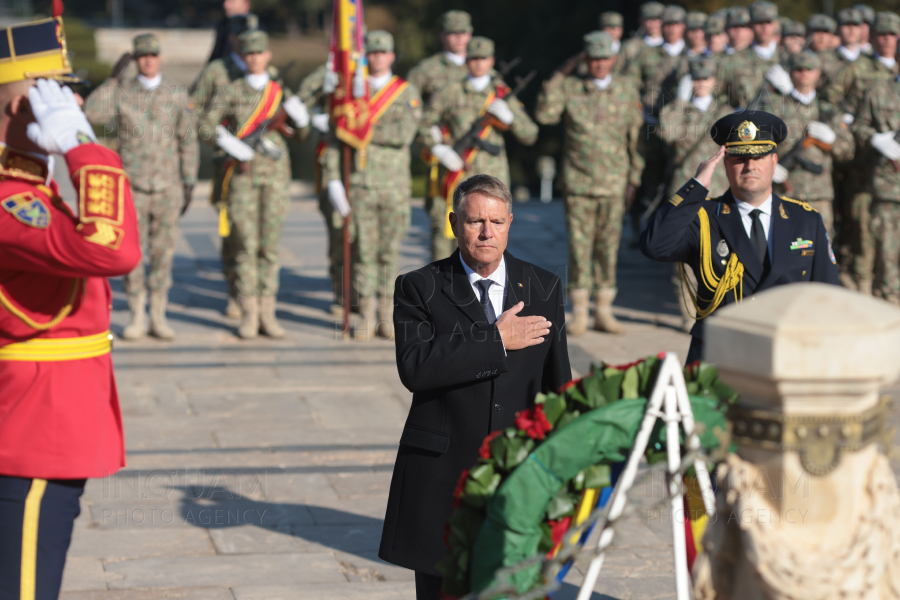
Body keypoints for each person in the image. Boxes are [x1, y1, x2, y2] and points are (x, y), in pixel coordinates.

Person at [379, 174, 571, 600]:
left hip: (517, 479)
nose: (486, 232)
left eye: (496, 222)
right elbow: (416, 368)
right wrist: (496, 339)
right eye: (474, 221)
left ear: (510, 223)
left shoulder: (543, 287)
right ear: (453, 222)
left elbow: (558, 390)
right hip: (443, 481)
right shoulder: (419, 287)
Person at [0, 16, 141, 598]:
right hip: (33, 425)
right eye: (45, 92)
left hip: (47, 417)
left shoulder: (27, 185)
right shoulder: (10, 201)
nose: (68, 102)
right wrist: (85, 148)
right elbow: (111, 250)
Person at [641, 111, 840, 364]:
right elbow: (655, 245)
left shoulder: (805, 220)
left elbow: (827, 295)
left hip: (786, 354)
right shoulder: (702, 217)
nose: (749, 166)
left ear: (774, 160)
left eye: (759, 156)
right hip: (719, 355)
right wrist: (696, 186)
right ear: (724, 163)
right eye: (739, 158)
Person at [83, 33, 199, 341]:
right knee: (133, 253)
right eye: (142, 56)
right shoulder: (121, 93)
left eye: (153, 55)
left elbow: (187, 140)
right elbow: (91, 114)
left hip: (167, 186)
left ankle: (158, 315)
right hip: (132, 185)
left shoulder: (176, 92)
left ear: (160, 57)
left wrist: (189, 181)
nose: (148, 60)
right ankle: (136, 314)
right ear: (135, 59)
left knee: (164, 252)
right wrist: (111, 80)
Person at [199, 30, 310, 339]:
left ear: (268, 56)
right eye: (249, 53)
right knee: (245, 245)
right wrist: (228, 142)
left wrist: (302, 121)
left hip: (275, 177)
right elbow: (205, 125)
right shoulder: (229, 90)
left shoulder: (280, 91)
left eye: (260, 53)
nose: (254, 58)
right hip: (243, 178)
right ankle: (249, 312)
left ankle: (268, 311)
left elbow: (300, 137)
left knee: (270, 247)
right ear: (242, 57)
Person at [535, 32, 643, 335]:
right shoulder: (571, 88)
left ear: (613, 59)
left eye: (604, 58)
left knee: (608, 248)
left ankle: (604, 310)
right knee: (580, 248)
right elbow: (545, 114)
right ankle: (580, 309)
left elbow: (634, 140)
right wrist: (560, 73)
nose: (599, 64)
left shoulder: (625, 90)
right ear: (585, 59)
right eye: (593, 58)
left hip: (614, 182)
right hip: (579, 182)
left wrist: (634, 178)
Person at [324, 31, 422, 340]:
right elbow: (334, 139)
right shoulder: (352, 94)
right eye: (373, 53)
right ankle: (365, 312)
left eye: (384, 52)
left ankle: (387, 312)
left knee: (389, 251)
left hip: (393, 185)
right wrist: (333, 179)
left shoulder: (406, 93)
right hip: (361, 185)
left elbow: (402, 134)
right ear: (366, 57)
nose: (378, 57)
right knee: (363, 251)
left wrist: (362, 127)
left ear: (392, 56)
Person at [419, 36, 538, 226]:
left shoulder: (501, 94)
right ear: (466, 60)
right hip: (455, 172)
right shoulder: (450, 91)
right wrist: (437, 148)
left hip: (492, 179)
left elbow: (530, 135)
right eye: (474, 58)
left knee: (489, 240)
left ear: (491, 61)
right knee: (444, 236)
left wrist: (512, 119)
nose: (479, 63)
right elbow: (422, 124)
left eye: (484, 58)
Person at [823, 11, 900, 292]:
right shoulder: (856, 68)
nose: (887, 40)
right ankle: (862, 286)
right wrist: (849, 124)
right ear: (873, 36)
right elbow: (829, 100)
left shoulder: (896, 71)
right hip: (861, 165)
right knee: (864, 229)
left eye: (893, 34)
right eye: (882, 34)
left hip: (894, 172)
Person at [191, 14, 259, 319]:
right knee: (233, 232)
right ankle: (235, 290)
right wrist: (221, 137)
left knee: (261, 234)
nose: (246, 40)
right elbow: (195, 108)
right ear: (230, 36)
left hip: (262, 166)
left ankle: (256, 295)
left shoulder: (263, 70)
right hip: (227, 164)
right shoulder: (217, 71)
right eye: (240, 34)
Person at [659, 56, 732, 334]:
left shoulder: (726, 111)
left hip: (719, 190)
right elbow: (666, 133)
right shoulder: (679, 110)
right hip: (685, 190)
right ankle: (689, 312)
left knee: (721, 254)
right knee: (687, 254)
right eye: (697, 78)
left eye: (707, 78)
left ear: (715, 80)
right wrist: (679, 101)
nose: (702, 83)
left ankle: (718, 309)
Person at [750, 51, 854, 239]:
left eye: (809, 69)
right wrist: (766, 166)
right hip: (781, 194)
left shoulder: (829, 110)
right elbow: (753, 144)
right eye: (799, 69)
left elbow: (848, 152)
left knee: (819, 254)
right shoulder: (774, 108)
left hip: (819, 195)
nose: (804, 73)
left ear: (818, 73)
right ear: (790, 73)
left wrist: (833, 140)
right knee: (780, 250)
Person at [407, 10, 472, 262]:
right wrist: (432, 140)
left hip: (475, 158)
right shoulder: (426, 69)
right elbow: (407, 105)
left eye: (463, 32)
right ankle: (440, 289)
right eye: (452, 33)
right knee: (441, 223)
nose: (458, 38)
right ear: (442, 35)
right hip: (442, 157)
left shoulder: (478, 65)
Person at [853, 72, 900, 304]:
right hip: (889, 187)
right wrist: (876, 139)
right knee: (887, 253)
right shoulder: (878, 91)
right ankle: (891, 303)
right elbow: (858, 127)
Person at [717, 1, 781, 109]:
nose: (764, 27)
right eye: (759, 22)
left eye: (768, 22)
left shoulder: (788, 59)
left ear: (775, 24)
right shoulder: (732, 61)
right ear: (751, 25)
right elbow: (719, 98)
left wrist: (792, 93)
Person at [619, 2, 666, 75]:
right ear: (641, 21)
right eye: (649, 19)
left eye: (656, 19)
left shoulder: (669, 45)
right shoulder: (630, 46)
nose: (653, 23)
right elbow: (618, 71)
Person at [806, 15, 841, 88]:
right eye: (817, 31)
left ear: (832, 36)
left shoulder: (838, 58)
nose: (821, 36)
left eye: (826, 32)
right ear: (808, 33)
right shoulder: (798, 56)